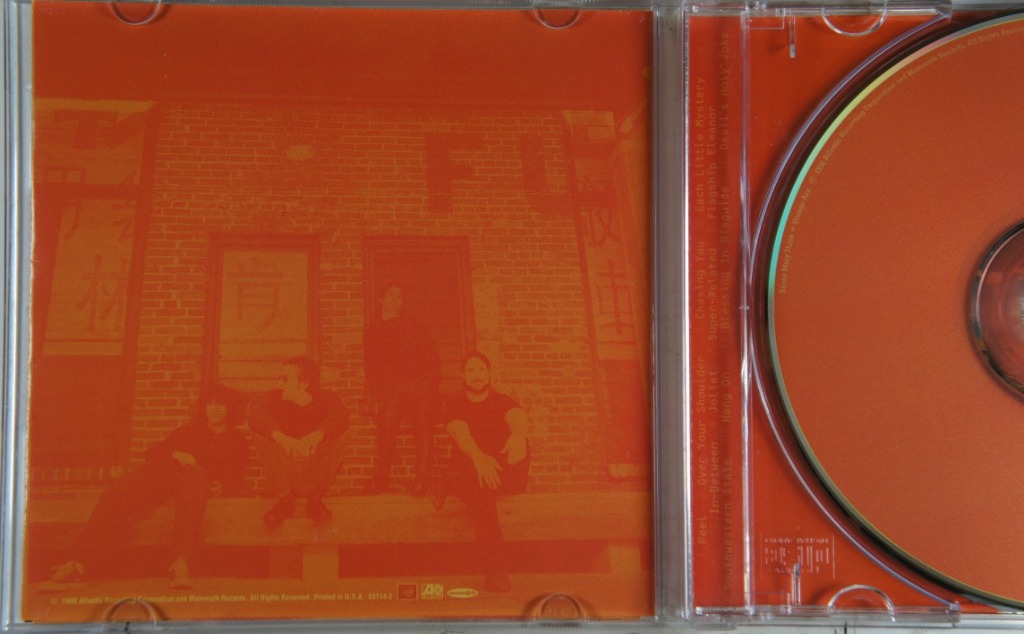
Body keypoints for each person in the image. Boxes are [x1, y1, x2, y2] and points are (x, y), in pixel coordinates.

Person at [47, 385, 249, 589]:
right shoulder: (187, 433)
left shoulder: (237, 441)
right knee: (118, 490)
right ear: (203, 408)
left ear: (230, 408)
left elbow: (236, 477)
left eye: (221, 404)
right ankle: (79, 563)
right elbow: (153, 453)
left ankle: (180, 563)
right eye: (210, 404)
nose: (215, 409)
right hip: (165, 482)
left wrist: (223, 487)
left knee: (195, 476)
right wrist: (175, 454)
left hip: (196, 486)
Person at [433, 351, 530, 593]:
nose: (476, 375)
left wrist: (518, 435)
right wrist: (478, 458)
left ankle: (448, 481)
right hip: (473, 466)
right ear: (463, 376)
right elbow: (460, 433)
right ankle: (496, 573)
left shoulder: (502, 401)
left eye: (481, 370)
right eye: (471, 370)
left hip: (499, 469)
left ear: (489, 373)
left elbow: (517, 417)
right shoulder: (455, 404)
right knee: (481, 494)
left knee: (522, 448)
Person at [252, 356, 350, 528]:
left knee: (340, 436)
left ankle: (315, 499)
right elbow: (256, 417)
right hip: (287, 471)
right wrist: (281, 437)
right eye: (279, 378)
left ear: (304, 383)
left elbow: (341, 417)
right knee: (262, 434)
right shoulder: (275, 398)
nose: (280, 383)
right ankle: (285, 501)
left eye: (285, 379)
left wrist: (317, 436)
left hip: (314, 471)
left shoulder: (327, 398)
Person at [362, 285, 440, 495]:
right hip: (391, 389)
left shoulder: (413, 326)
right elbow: (371, 366)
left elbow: (432, 359)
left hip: (419, 386)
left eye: (400, 297)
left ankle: (422, 481)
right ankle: (381, 480)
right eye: (392, 295)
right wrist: (373, 393)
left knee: (423, 422)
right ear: (380, 300)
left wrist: (427, 387)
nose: (397, 299)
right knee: (386, 423)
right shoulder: (372, 331)